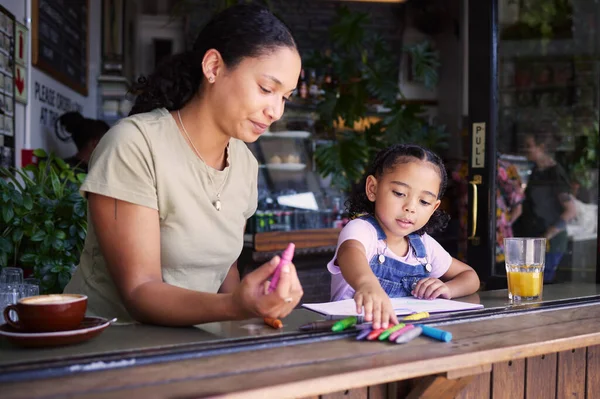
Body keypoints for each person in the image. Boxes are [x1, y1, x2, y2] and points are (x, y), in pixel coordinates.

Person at [64, 4, 304, 326]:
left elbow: (224, 271)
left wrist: (256, 316)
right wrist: (238, 306)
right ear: (214, 67)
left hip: (191, 345)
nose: (276, 111)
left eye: (285, 97)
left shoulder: (244, 164)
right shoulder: (135, 144)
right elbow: (140, 291)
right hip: (108, 347)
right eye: (266, 89)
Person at [327, 144, 480, 329]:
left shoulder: (423, 247)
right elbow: (350, 253)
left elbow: (470, 276)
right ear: (372, 188)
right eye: (399, 193)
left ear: (434, 208)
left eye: (424, 201)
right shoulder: (361, 230)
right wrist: (367, 284)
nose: (411, 207)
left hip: (404, 334)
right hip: (351, 334)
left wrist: (447, 289)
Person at [513, 131, 577, 283]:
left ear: (541, 147)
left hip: (549, 245)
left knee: (538, 286)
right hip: (535, 242)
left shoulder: (555, 174)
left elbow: (571, 210)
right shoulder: (536, 170)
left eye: (529, 146)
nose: (525, 149)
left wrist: (545, 238)